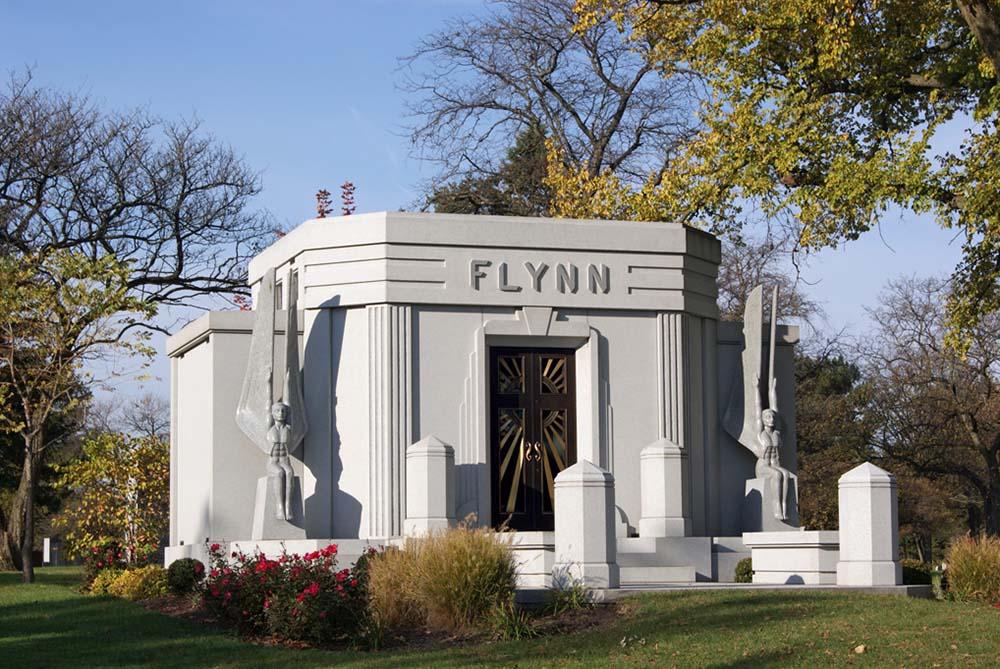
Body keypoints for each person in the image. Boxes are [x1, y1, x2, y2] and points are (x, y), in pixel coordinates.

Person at [753, 374, 793, 520]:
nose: (771, 419)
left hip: (775, 465)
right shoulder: (760, 434)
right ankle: (776, 507)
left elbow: (776, 408)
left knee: (786, 474)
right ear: (763, 420)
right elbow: (758, 409)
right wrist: (756, 388)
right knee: (777, 475)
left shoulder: (777, 433)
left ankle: (783, 507)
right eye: (768, 417)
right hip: (763, 468)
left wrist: (772, 390)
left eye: (772, 417)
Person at [266, 401, 295, 520]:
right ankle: (279, 507)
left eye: (283, 411)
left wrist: (288, 381)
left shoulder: (288, 427)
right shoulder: (269, 427)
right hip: (272, 462)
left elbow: (289, 402)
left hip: (285, 460)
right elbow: (267, 404)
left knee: (289, 472)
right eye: (277, 411)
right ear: (272, 413)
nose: (281, 413)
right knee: (279, 473)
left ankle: (288, 506)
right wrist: (268, 383)